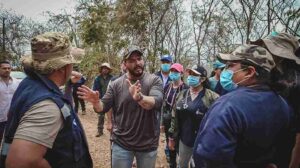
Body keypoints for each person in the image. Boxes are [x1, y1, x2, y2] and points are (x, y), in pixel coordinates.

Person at [0, 32, 93, 168]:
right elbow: (19, 162)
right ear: (62, 68)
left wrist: (68, 85)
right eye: (71, 62)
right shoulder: (47, 106)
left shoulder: (30, 84)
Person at [193, 44, 292, 168]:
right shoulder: (284, 105)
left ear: (250, 72)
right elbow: (285, 150)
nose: (226, 71)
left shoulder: (228, 105)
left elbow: (209, 158)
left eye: (230, 66)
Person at [78, 45, 163, 168]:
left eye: (139, 59)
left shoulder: (154, 80)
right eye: (132, 61)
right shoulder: (115, 84)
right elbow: (103, 107)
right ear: (125, 64)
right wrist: (96, 103)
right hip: (122, 143)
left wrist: (140, 97)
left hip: (147, 144)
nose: (137, 63)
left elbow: (156, 101)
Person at [250, 32, 300, 168]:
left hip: (285, 149)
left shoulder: (295, 82)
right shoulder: (272, 72)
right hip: (264, 146)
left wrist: (293, 164)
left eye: (269, 47)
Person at [168, 65, 219, 168]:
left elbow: (217, 120)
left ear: (203, 79)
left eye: (194, 75)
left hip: (203, 142)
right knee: (182, 164)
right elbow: (175, 117)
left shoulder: (212, 97)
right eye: (190, 74)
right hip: (184, 140)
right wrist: (172, 137)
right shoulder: (181, 95)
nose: (190, 76)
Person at [160, 63, 188, 168]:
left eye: (176, 72)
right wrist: (162, 123)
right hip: (168, 122)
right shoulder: (167, 87)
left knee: (180, 148)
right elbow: (163, 105)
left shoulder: (186, 88)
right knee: (170, 145)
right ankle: (172, 164)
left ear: (181, 73)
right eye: (172, 71)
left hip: (181, 123)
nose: (173, 73)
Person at [0, 61, 20, 143]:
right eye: (4, 68)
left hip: (12, 117)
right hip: (0, 118)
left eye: (9, 68)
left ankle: (6, 155)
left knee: (10, 140)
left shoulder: (16, 82)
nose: (7, 70)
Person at [93, 62, 113, 137]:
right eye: (103, 68)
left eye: (106, 68)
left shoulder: (112, 78)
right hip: (101, 99)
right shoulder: (97, 78)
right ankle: (100, 130)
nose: (105, 70)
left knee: (112, 116)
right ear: (101, 69)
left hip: (111, 99)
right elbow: (95, 89)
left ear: (108, 70)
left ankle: (113, 131)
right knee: (101, 115)